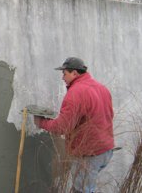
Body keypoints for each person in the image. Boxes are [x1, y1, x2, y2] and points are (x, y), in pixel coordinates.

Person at [34, 57, 114, 193]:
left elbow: (62, 127)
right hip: (106, 151)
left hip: (89, 154)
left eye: (64, 73)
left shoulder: (76, 93)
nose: (62, 77)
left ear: (75, 73)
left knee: (81, 190)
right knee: (86, 188)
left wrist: (41, 122)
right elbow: (110, 115)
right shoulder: (101, 88)